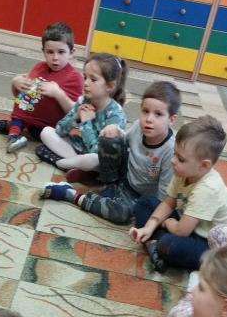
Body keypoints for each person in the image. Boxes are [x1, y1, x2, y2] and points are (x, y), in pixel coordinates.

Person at [40, 81, 180, 223]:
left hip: (138, 194)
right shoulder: (138, 126)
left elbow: (164, 196)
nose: (149, 119)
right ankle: (108, 185)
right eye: (145, 111)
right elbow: (122, 144)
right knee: (109, 138)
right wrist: (113, 131)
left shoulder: (171, 151)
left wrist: (152, 218)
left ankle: (70, 194)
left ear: (171, 119)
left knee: (122, 214)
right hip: (123, 175)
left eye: (158, 114)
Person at [130, 116, 227, 272]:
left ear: (204, 165)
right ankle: (154, 244)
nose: (173, 161)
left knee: (169, 244)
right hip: (185, 222)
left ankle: (157, 245)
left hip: (206, 242)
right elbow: (168, 202)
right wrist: (148, 227)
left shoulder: (208, 188)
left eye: (180, 158)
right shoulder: (183, 171)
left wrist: (167, 223)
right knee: (144, 202)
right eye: (175, 153)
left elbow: (181, 231)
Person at [0, 22, 83, 153]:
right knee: (22, 110)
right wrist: (15, 83)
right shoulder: (39, 67)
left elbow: (76, 115)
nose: (55, 58)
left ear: (71, 52)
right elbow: (21, 96)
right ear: (43, 51)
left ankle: (11, 128)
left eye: (61, 52)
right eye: (50, 52)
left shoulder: (75, 77)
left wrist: (58, 94)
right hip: (29, 118)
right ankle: (14, 133)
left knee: (41, 134)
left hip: (48, 127)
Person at [35, 52, 128, 173]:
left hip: (97, 158)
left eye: (93, 79)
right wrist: (75, 118)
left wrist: (86, 122)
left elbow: (97, 151)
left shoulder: (115, 115)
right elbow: (59, 130)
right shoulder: (83, 100)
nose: (86, 83)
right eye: (85, 77)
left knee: (94, 159)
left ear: (110, 86)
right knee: (46, 132)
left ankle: (61, 163)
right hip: (75, 150)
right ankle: (75, 166)